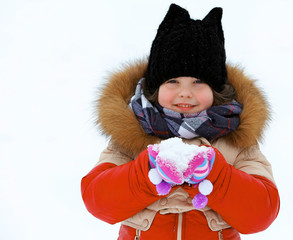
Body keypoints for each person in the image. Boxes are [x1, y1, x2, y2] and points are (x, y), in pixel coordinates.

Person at [81, 4, 280, 240]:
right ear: (155, 89)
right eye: (173, 81)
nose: (185, 92)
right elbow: (98, 201)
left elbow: (261, 214)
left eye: (198, 82)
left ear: (216, 91)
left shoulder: (236, 141)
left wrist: (215, 175)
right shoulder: (132, 134)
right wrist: (146, 172)